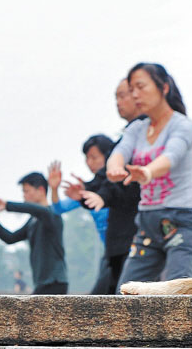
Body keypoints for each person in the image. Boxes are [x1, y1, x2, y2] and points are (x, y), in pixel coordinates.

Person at [107, 63, 192, 292]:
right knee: (126, 290)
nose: (135, 95)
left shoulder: (182, 125)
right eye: (131, 90)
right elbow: (118, 153)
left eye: (140, 87)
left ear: (164, 87)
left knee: (177, 290)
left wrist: (148, 172)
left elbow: (172, 156)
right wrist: (115, 169)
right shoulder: (137, 129)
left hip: (181, 219)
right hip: (148, 222)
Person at [61, 80, 144, 294]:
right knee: (104, 300)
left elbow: (114, 187)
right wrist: (84, 192)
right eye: (116, 97)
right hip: (118, 242)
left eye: (124, 95)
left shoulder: (153, 137)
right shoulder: (123, 142)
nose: (119, 102)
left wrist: (102, 195)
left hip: (141, 234)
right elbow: (102, 182)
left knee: (120, 298)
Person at [0, 172, 68, 295]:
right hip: (42, 283)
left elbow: (41, 210)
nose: (24, 196)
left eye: (26, 191)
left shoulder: (52, 215)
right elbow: (10, 238)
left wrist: (8, 205)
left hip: (55, 282)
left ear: (41, 190)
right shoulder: (33, 221)